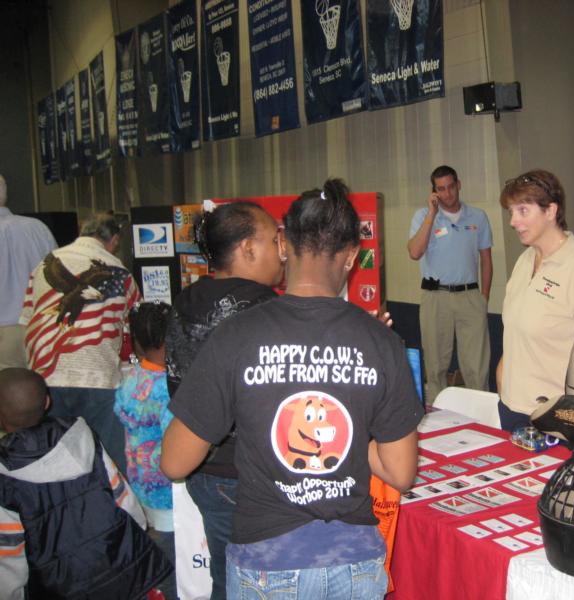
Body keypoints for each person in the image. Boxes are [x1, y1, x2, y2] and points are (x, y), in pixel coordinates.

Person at [162, 179, 423, 600]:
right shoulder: (381, 342)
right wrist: (348, 435)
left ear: (285, 244)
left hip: (266, 560)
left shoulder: (235, 336)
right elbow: (400, 472)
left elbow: (175, 463)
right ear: (353, 256)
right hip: (354, 562)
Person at [164, 200, 284, 600]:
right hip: (249, 476)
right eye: (273, 240)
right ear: (248, 249)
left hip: (203, 469)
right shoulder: (267, 310)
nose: (281, 250)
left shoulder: (184, 301)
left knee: (226, 573)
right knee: (263, 581)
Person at [0, 368, 171, 599]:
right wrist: (136, 539)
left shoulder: (5, 478)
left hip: (57, 587)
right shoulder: (82, 437)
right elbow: (122, 497)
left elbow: (9, 554)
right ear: (48, 401)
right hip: (117, 568)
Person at [19, 212, 140, 470]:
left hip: (47, 376)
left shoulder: (44, 264)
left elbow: (28, 319)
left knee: (53, 456)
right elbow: (134, 330)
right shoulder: (121, 272)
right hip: (98, 377)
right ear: (114, 240)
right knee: (109, 459)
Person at [496, 169, 574, 432]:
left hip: (557, 417)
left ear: (550, 211)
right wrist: (503, 377)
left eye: (523, 211)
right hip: (513, 409)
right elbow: (515, 329)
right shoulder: (524, 261)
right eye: (511, 211)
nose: (513, 221)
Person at [408, 165, 493, 403]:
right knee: (435, 367)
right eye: (441, 189)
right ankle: (437, 419)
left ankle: (481, 420)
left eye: (451, 187)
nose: (448, 194)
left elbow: (486, 259)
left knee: (476, 367)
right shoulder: (423, 216)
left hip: (470, 296)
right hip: (435, 297)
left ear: (459, 184)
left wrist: (483, 297)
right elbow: (414, 252)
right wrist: (431, 215)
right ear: (434, 192)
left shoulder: (477, 217)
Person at [114, 301, 176, 600]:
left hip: (138, 479)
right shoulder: (166, 388)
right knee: (171, 546)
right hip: (166, 485)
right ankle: (166, 588)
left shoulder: (130, 380)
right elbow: (173, 435)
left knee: (155, 534)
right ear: (169, 341)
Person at [0, 174, 57, 370]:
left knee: (10, 397)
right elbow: (59, 277)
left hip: (3, 337)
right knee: (39, 394)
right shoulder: (38, 228)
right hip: (42, 331)